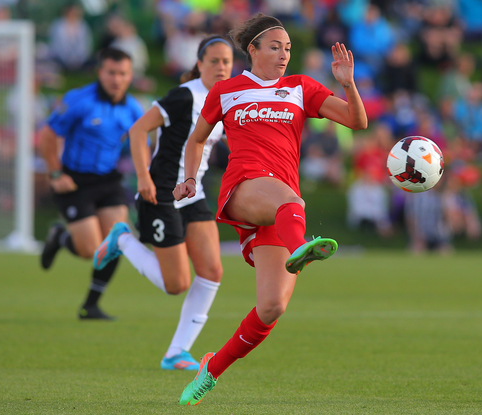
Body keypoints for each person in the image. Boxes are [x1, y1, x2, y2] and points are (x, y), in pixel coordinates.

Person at [172, 13, 368, 405]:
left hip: (281, 206)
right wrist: (189, 177)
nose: (283, 55)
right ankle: (302, 247)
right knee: (292, 201)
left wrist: (348, 84)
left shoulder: (300, 87)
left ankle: (211, 367)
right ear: (253, 50)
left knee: (271, 307)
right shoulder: (227, 90)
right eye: (275, 47)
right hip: (246, 188)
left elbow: (356, 121)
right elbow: (196, 140)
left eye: (288, 49)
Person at [92, 35, 233, 370]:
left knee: (212, 271)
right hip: (162, 192)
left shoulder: (229, 100)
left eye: (226, 61)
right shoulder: (185, 96)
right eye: (213, 61)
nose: (221, 67)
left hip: (193, 191)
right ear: (199, 64)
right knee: (176, 285)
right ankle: (122, 239)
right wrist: (143, 177)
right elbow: (139, 131)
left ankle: (176, 353)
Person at [39, 48, 143, 320]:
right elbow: (48, 135)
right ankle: (59, 237)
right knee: (89, 250)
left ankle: (91, 306)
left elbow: (140, 143)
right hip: (75, 180)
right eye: (111, 72)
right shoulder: (79, 100)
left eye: (122, 74)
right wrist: (54, 173)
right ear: (100, 73)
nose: (116, 79)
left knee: (116, 242)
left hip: (108, 179)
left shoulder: (133, 108)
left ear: (130, 76)